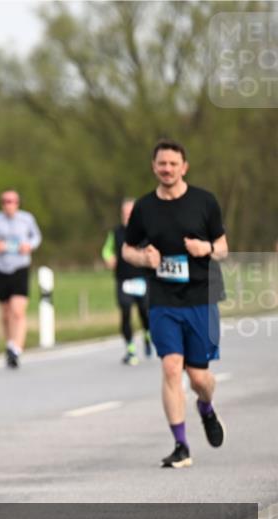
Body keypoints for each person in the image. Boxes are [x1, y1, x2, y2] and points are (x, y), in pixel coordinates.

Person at [122, 139, 227, 468]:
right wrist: (143, 256)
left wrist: (205, 248)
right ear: (153, 167)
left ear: (184, 167)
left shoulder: (204, 202)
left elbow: (223, 247)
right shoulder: (144, 208)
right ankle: (181, 445)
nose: (167, 169)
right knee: (170, 367)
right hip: (163, 297)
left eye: (173, 163)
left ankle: (206, 407)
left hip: (200, 295)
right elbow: (127, 249)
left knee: (199, 378)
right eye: (161, 163)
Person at [0, 190, 42, 368]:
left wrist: (29, 246)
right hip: (1, 268)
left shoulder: (27, 219)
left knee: (18, 311)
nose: (9, 204)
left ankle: (17, 348)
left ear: (18, 203)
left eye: (12, 201)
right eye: (5, 201)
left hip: (20, 267)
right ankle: (9, 343)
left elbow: (36, 237)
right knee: (6, 312)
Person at [102, 198, 153, 365]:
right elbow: (106, 251)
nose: (127, 216)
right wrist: (109, 259)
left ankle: (147, 334)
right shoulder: (115, 233)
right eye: (124, 213)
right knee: (125, 312)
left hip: (142, 279)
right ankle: (130, 348)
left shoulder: (145, 232)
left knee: (145, 312)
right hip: (123, 280)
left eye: (130, 213)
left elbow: (155, 250)